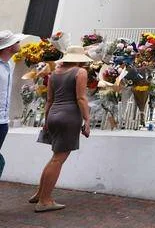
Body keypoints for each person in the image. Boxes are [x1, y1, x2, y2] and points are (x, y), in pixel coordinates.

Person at [30, 46, 93, 212]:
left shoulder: (54, 73)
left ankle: (40, 194)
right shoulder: (80, 72)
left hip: (54, 114)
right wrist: (87, 119)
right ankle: (45, 201)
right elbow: (81, 97)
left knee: (54, 158)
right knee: (58, 159)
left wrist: (46, 120)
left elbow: (49, 100)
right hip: (69, 116)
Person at [0, 30, 25, 180]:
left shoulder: (8, 65)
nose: (18, 44)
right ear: (8, 47)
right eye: (16, 42)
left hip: (3, 121)